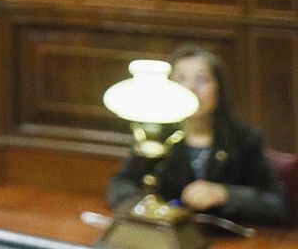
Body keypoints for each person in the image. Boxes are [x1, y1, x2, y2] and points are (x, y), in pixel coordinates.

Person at [107, 46, 293, 226]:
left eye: (202, 79)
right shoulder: (154, 134)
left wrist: (225, 194)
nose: (190, 87)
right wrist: (147, 210)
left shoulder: (244, 139)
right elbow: (120, 184)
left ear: (219, 89)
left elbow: (277, 205)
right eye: (180, 79)